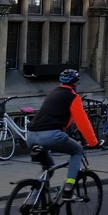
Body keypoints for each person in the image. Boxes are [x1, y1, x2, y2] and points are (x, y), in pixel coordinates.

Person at [26, 69, 99, 199]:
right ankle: (68, 189)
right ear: (75, 83)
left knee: (48, 168)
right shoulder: (72, 97)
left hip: (31, 136)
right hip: (51, 135)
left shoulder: (53, 93)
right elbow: (83, 122)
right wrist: (93, 142)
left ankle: (32, 202)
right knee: (77, 150)